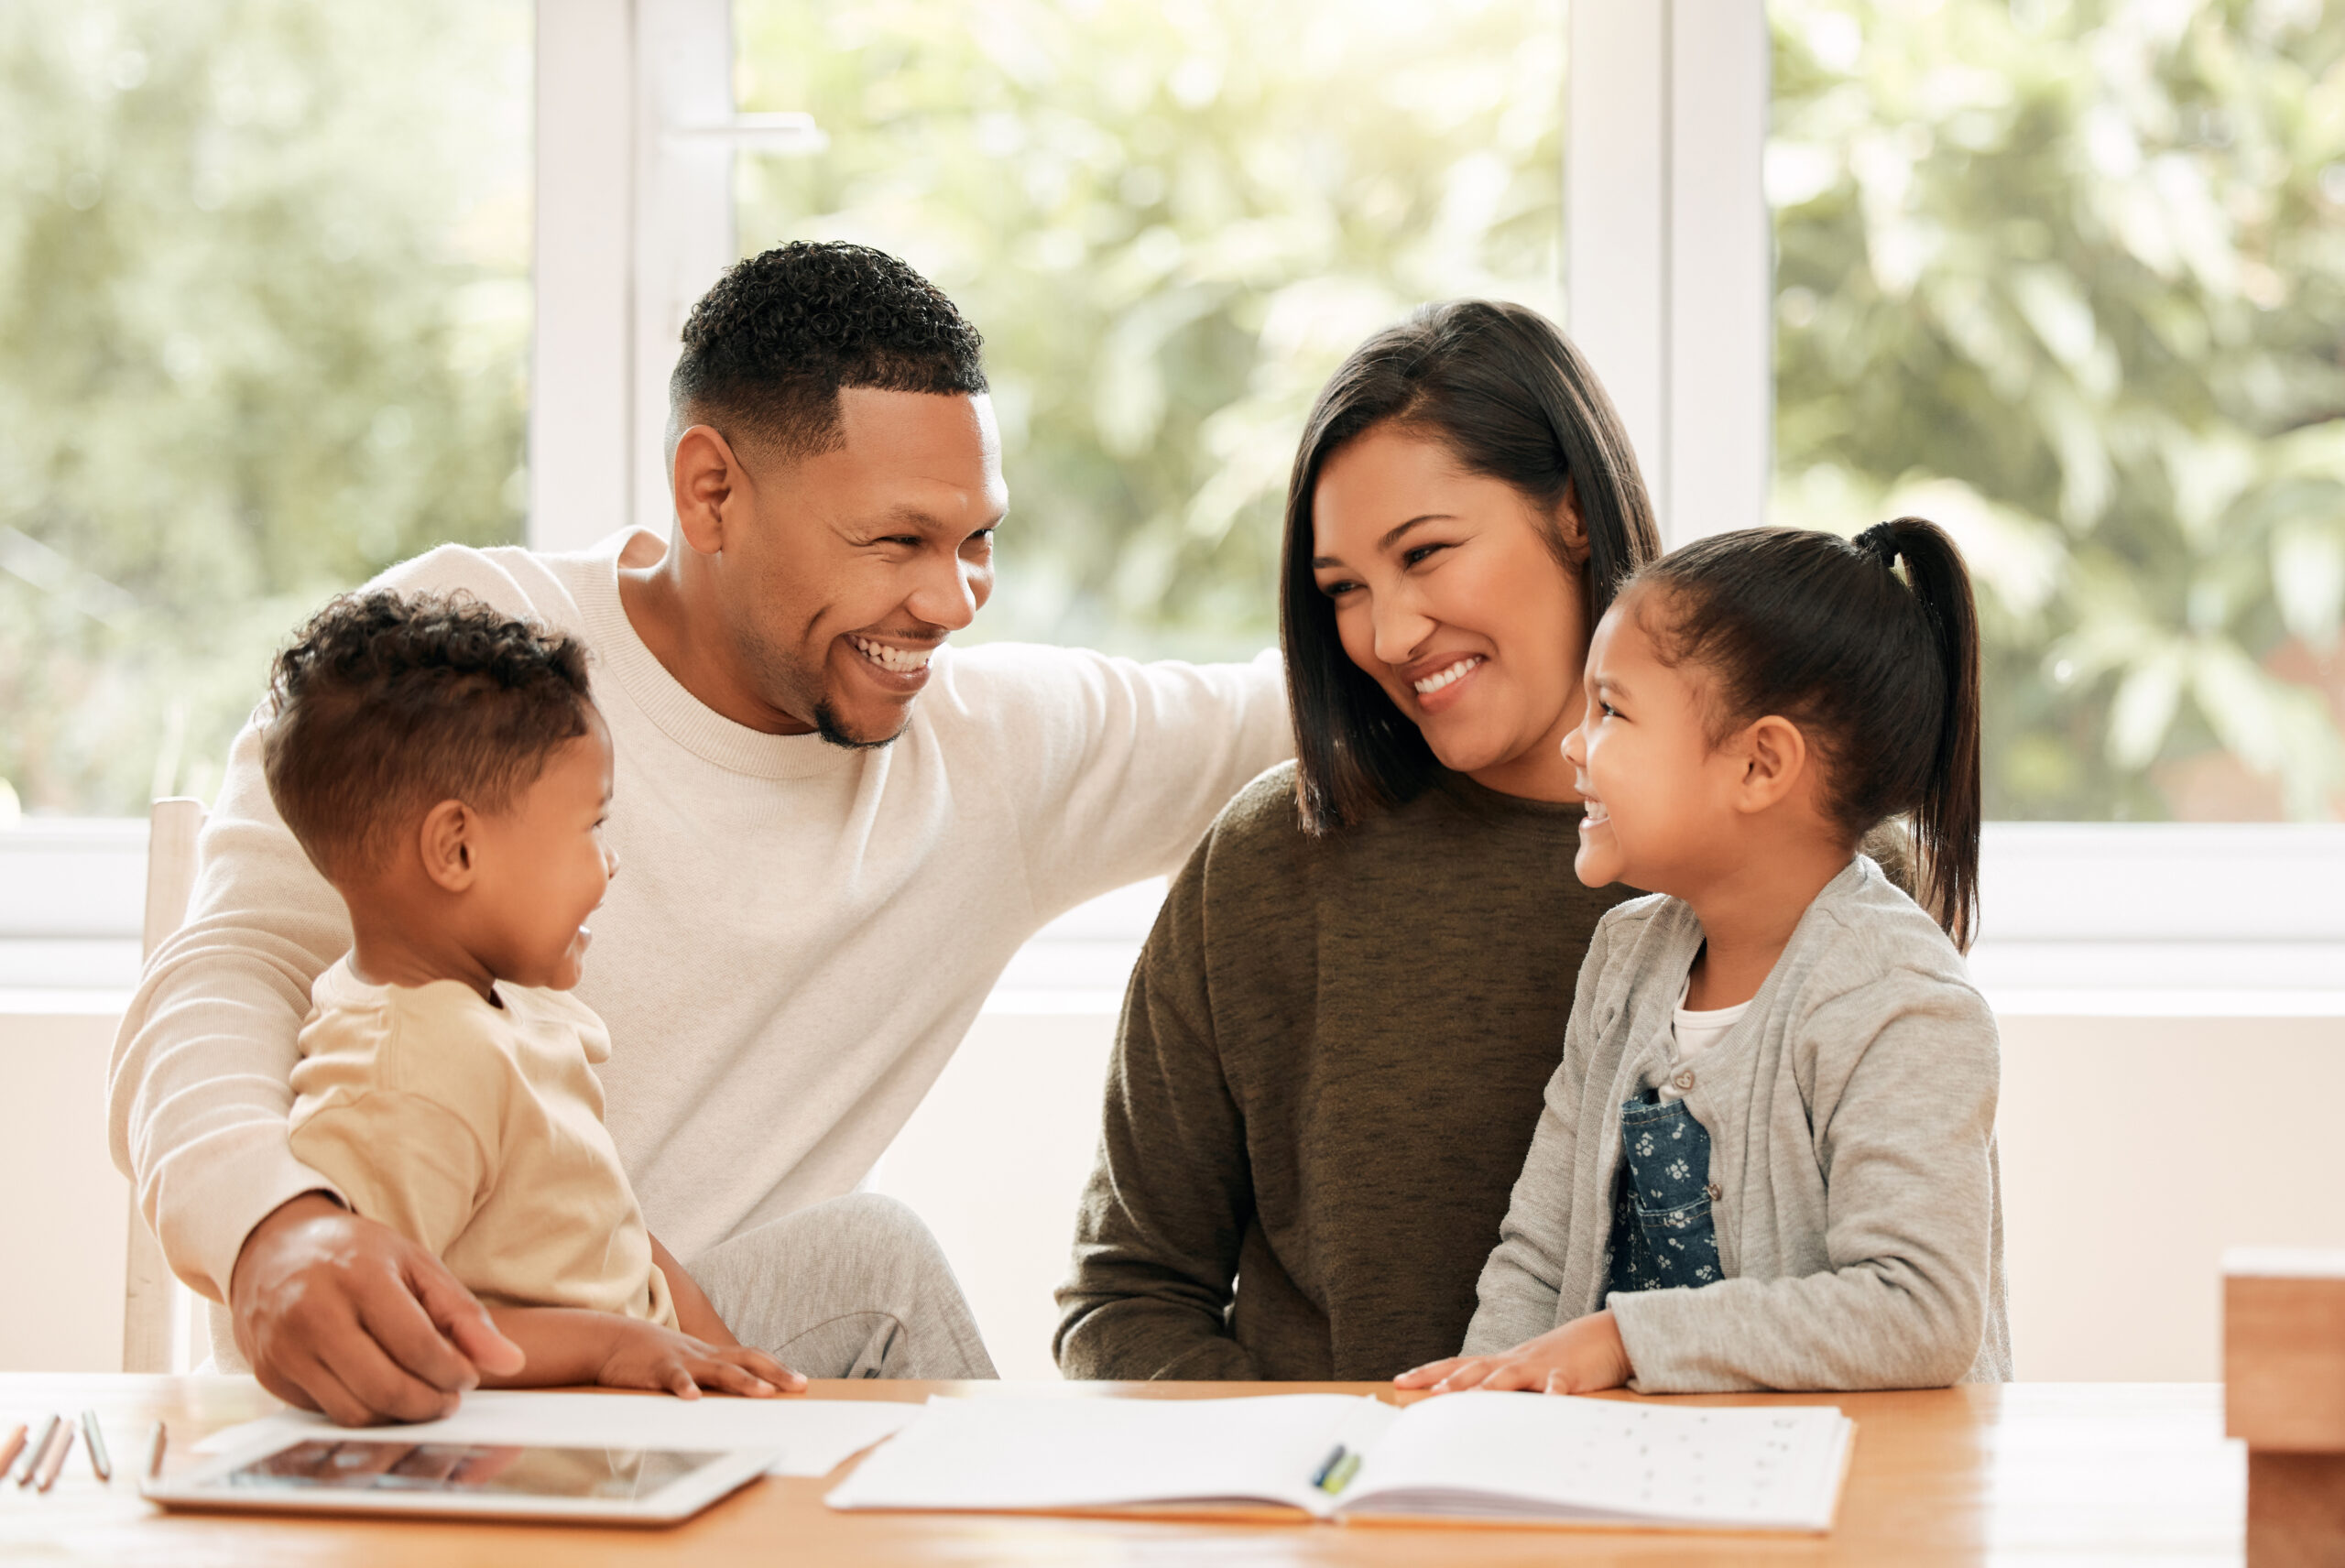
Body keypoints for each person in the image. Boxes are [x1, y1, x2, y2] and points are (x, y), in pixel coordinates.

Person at [109, 242, 1290, 1425]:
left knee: (868, 1267)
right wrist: (273, 1228)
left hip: (678, 1380)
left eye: (977, 540)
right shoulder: (466, 661)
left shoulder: (993, 753)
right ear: (709, 492)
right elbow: (227, 966)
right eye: (897, 543)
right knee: (873, 1262)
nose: (951, 602)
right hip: (403, 1393)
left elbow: (1281, 715)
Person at [1053, 299, 1664, 1381]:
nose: (1386, 635)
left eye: (1425, 552)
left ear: (1573, 512)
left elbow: (1887, 1310)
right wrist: (1308, 1484)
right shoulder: (1266, 862)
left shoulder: (1808, 859)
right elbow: (1127, 1295)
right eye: (1343, 590)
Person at [265, 591, 990, 1397]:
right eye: (589, 827)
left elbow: (617, 1228)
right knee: (880, 1269)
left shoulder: (491, 1007)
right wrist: (610, 1347)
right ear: (457, 849)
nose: (608, 863)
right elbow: (383, 1326)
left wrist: (716, 1351)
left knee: (876, 1248)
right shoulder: (406, 1070)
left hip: (639, 1359)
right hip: (561, 1420)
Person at [1396, 518, 2012, 1397]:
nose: (1575, 743)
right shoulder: (1624, 958)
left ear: (1760, 765)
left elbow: (1919, 1312)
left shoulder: (1900, 1000)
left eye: (1611, 710)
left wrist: (1621, 1341)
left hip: (1860, 1497)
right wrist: (1482, 1401)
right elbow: (1537, 1253)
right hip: (1655, 1480)